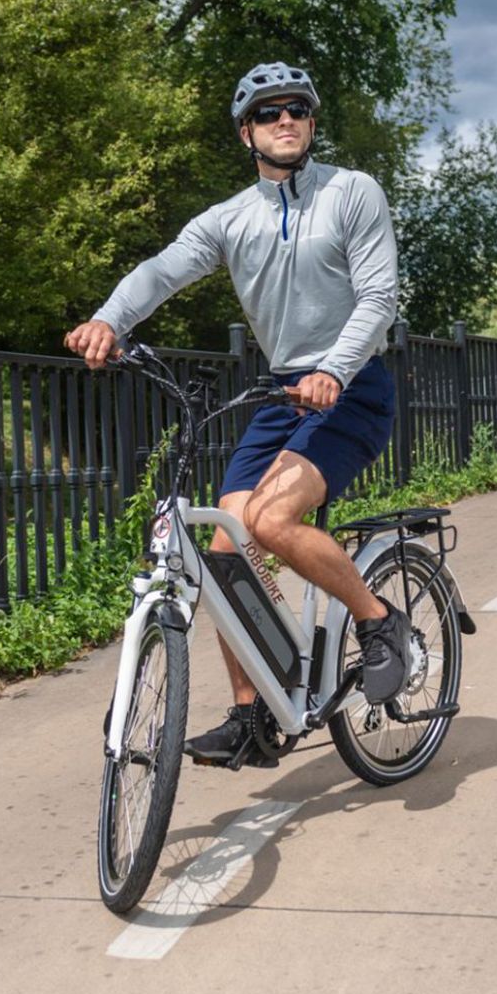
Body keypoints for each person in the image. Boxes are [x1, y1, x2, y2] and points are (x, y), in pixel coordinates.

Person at [65, 61, 410, 768]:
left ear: (311, 123)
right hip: (286, 393)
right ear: (246, 132)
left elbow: (378, 298)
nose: (285, 121)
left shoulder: (351, 193)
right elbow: (163, 269)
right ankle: (254, 716)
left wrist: (332, 370)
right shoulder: (232, 218)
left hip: (352, 386)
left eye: (297, 111)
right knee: (227, 548)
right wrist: (108, 319)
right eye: (268, 113)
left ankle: (380, 625)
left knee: (273, 521)